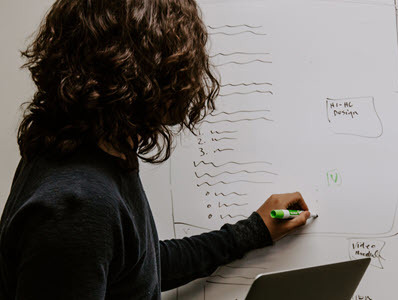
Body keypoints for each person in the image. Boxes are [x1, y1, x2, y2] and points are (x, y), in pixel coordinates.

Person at [0, 0, 311, 298]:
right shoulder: (78, 205)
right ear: (145, 77)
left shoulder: (87, 153)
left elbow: (138, 268)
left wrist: (252, 232)